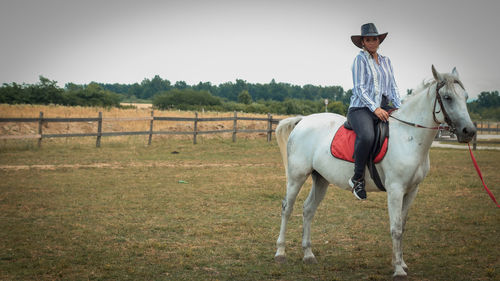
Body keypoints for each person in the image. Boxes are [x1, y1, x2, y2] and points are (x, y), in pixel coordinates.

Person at [348, 23, 402, 200]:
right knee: (367, 136)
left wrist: (400, 108)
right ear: (363, 42)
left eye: (375, 39)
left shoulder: (387, 61)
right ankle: (357, 179)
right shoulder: (360, 60)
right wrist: (375, 108)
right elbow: (360, 88)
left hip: (383, 106)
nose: (372, 42)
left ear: (379, 40)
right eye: (368, 39)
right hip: (361, 108)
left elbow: (393, 86)